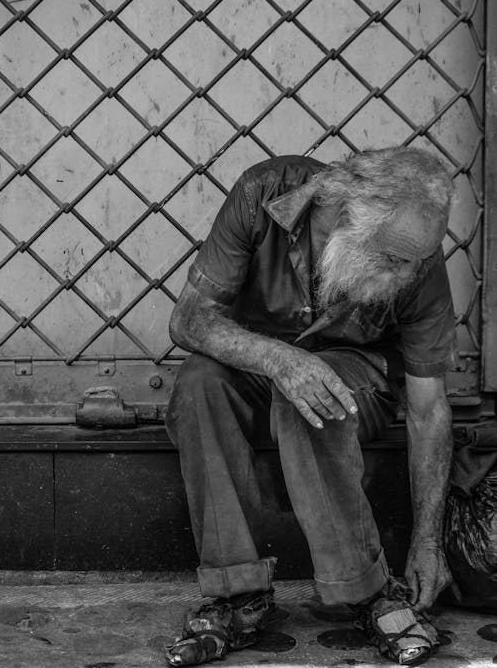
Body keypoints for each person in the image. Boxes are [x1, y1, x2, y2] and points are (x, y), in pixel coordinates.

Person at [164, 147, 457, 666]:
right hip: (257, 360)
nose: (406, 274)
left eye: (414, 261)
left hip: (356, 377)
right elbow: (189, 321)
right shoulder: (263, 194)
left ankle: (367, 591)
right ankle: (238, 594)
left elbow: (429, 410)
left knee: (313, 396)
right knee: (199, 384)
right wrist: (281, 360)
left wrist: (427, 543)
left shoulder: (418, 260)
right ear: (348, 212)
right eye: (392, 258)